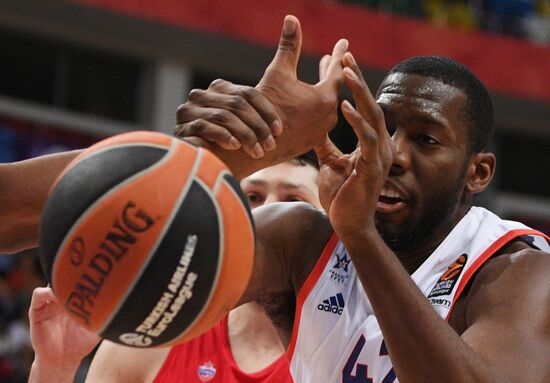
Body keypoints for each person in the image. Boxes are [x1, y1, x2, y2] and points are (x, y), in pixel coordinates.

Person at [1, 14, 549, 383]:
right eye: (381, 129)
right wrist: (211, 153)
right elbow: (140, 239)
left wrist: (360, 236)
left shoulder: (520, 271)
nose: (393, 154)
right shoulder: (301, 238)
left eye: (425, 140)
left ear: (478, 172)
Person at [22, 154, 320, 383]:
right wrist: (55, 368)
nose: (268, 213)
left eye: (293, 203)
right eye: (253, 197)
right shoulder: (153, 335)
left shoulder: (344, 354)